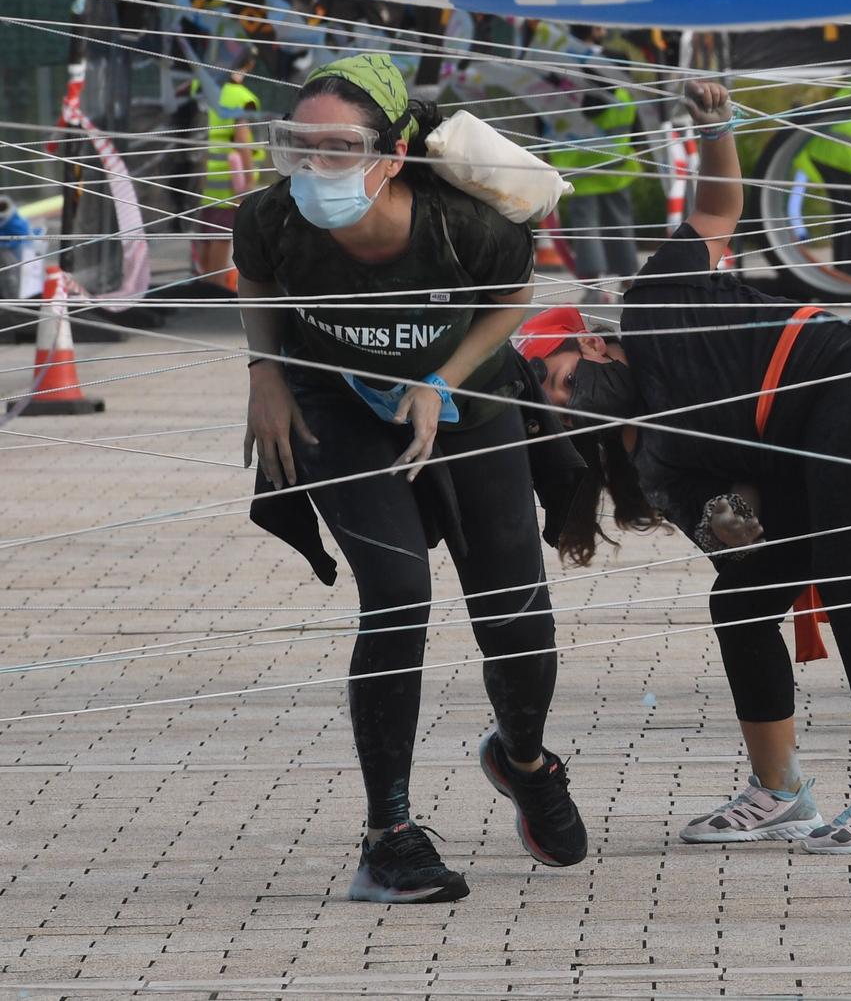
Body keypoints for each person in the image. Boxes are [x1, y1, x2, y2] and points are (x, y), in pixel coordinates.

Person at [524, 80, 851, 854]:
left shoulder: (655, 299)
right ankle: (780, 789)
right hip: (802, 441)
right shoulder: (650, 461)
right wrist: (734, 524)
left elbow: (720, 210)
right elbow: (738, 529)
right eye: (557, 410)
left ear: (589, 345)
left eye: (560, 382)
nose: (568, 405)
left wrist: (716, 125)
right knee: (741, 598)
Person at [235, 54, 587, 903]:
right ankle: (389, 835)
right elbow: (256, 280)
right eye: (299, 145)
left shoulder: (462, 222)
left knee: (512, 603)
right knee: (396, 591)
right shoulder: (273, 218)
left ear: (392, 154)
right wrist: (267, 377)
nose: (316, 167)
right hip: (336, 405)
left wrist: (442, 380)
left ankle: (524, 759)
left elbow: (517, 295)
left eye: (339, 147)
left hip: (469, 397)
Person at [548, 84, 642, 297]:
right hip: (616, 171)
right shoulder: (623, 96)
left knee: (586, 230)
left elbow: (548, 128)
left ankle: (593, 288)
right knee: (621, 225)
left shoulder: (567, 98)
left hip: (579, 173)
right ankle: (628, 283)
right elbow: (637, 131)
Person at [193, 58, 265, 290]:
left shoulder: (202, 88)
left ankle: (205, 281)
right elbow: (242, 140)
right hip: (230, 180)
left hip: (205, 177)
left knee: (206, 233)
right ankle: (214, 286)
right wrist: (248, 184)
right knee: (222, 236)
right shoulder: (240, 97)